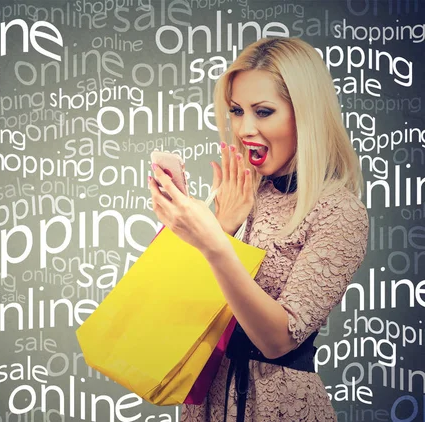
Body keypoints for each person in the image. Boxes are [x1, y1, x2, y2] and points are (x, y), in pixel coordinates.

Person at [148, 37, 369, 421]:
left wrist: (216, 243)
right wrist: (212, 226)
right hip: (207, 403)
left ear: (306, 114)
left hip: (278, 405)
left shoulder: (339, 211)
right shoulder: (240, 192)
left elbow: (278, 339)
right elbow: (183, 312)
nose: (245, 128)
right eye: (236, 110)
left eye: (263, 111)